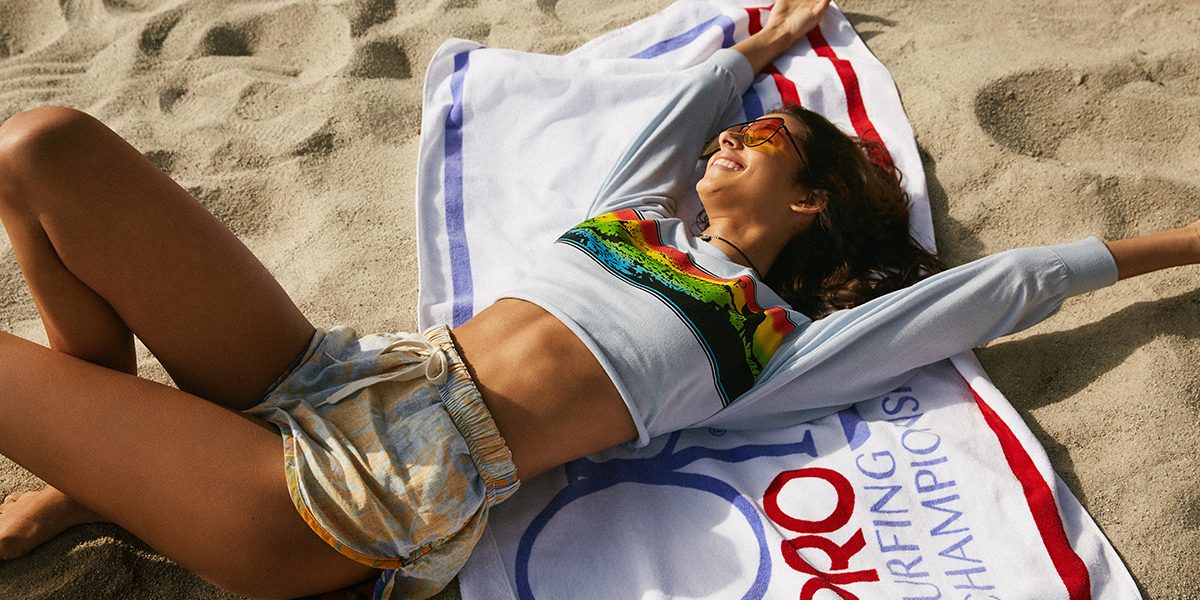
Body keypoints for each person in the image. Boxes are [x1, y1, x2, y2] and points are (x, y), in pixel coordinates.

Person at [0, 0, 1195, 598]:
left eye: (764, 140)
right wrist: (759, 45)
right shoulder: (629, 221)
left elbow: (1009, 285)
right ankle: (99, 473)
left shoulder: (770, 341)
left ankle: (113, 469)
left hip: (344, 504)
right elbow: (673, 125)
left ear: (811, 201)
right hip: (333, 371)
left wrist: (1185, 242)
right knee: (41, 147)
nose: (732, 141)